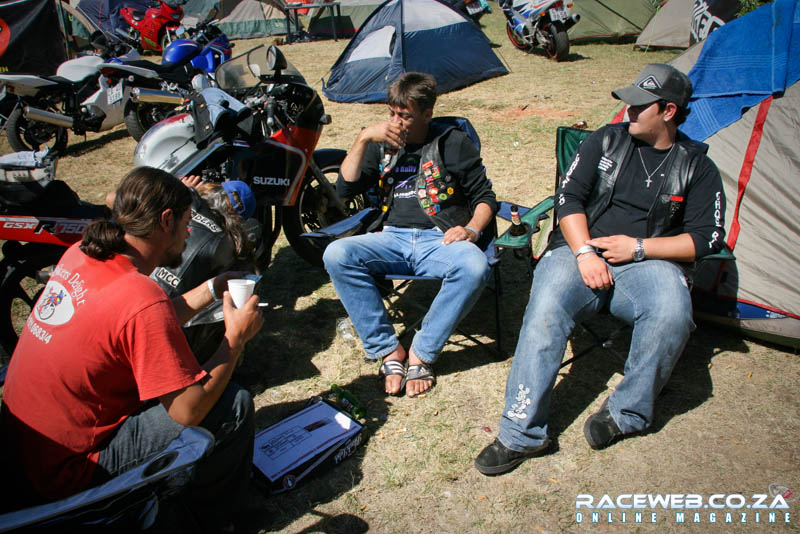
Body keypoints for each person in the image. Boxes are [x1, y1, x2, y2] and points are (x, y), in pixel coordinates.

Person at [475, 64, 727, 475]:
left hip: (649, 263)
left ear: (668, 111)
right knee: (546, 306)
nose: (628, 111)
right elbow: (568, 199)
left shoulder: (696, 167)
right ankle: (520, 433)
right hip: (580, 251)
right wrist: (585, 254)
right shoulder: (605, 140)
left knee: (672, 313)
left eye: (639, 106)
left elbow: (705, 239)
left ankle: (626, 414)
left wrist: (639, 248)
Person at [0, 167, 263, 531]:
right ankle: (213, 521)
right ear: (166, 220)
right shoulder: (141, 296)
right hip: (67, 472)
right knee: (234, 404)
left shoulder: (81, 254)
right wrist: (234, 340)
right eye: (187, 223)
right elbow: (187, 410)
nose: (189, 234)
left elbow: (142, 321)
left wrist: (210, 288)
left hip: (21, 450)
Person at [323, 72, 497, 398]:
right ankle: (388, 350)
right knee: (336, 254)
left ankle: (422, 352)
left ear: (427, 114)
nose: (395, 122)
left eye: (404, 115)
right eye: (391, 113)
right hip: (391, 237)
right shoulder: (381, 144)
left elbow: (485, 197)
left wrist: (472, 229)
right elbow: (345, 188)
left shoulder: (451, 143)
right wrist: (364, 138)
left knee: (475, 266)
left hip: (439, 238)